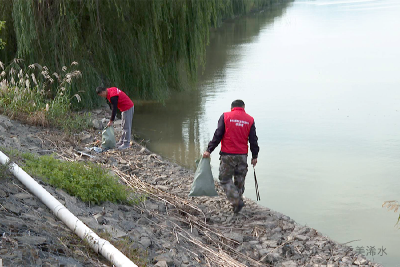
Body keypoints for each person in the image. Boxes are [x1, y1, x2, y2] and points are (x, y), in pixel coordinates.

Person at [203, 100, 259, 213]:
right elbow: (253, 140)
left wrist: (209, 150)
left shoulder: (225, 116)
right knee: (239, 180)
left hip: (227, 155)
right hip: (242, 156)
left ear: (232, 107)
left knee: (224, 179)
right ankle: (237, 203)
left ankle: (236, 201)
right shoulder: (250, 119)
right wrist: (254, 156)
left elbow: (218, 135)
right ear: (243, 107)